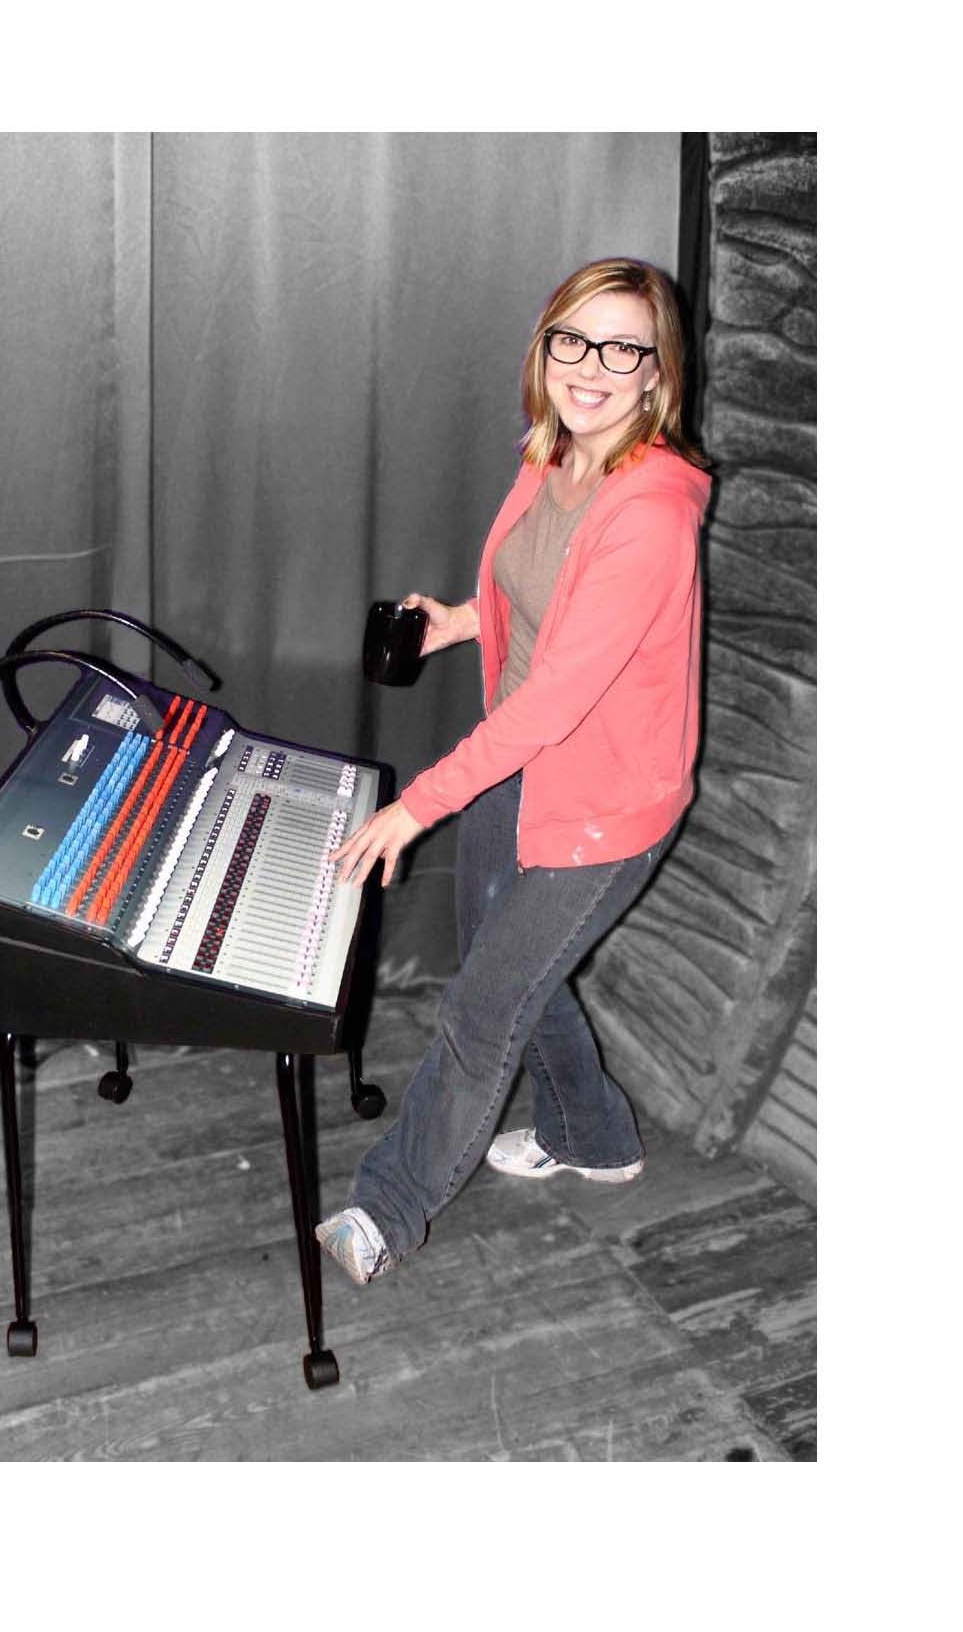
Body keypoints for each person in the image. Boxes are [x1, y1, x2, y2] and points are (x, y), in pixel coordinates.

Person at [316, 257, 713, 1285]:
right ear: (545, 346)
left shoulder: (651, 513)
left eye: (623, 346)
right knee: (512, 973)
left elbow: (557, 700)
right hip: (523, 764)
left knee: (483, 1007)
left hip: (603, 802)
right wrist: (459, 621)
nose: (591, 366)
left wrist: (415, 809)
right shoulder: (555, 456)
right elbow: (541, 602)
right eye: (572, 339)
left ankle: (387, 1212)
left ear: (656, 371)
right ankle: (595, 1136)